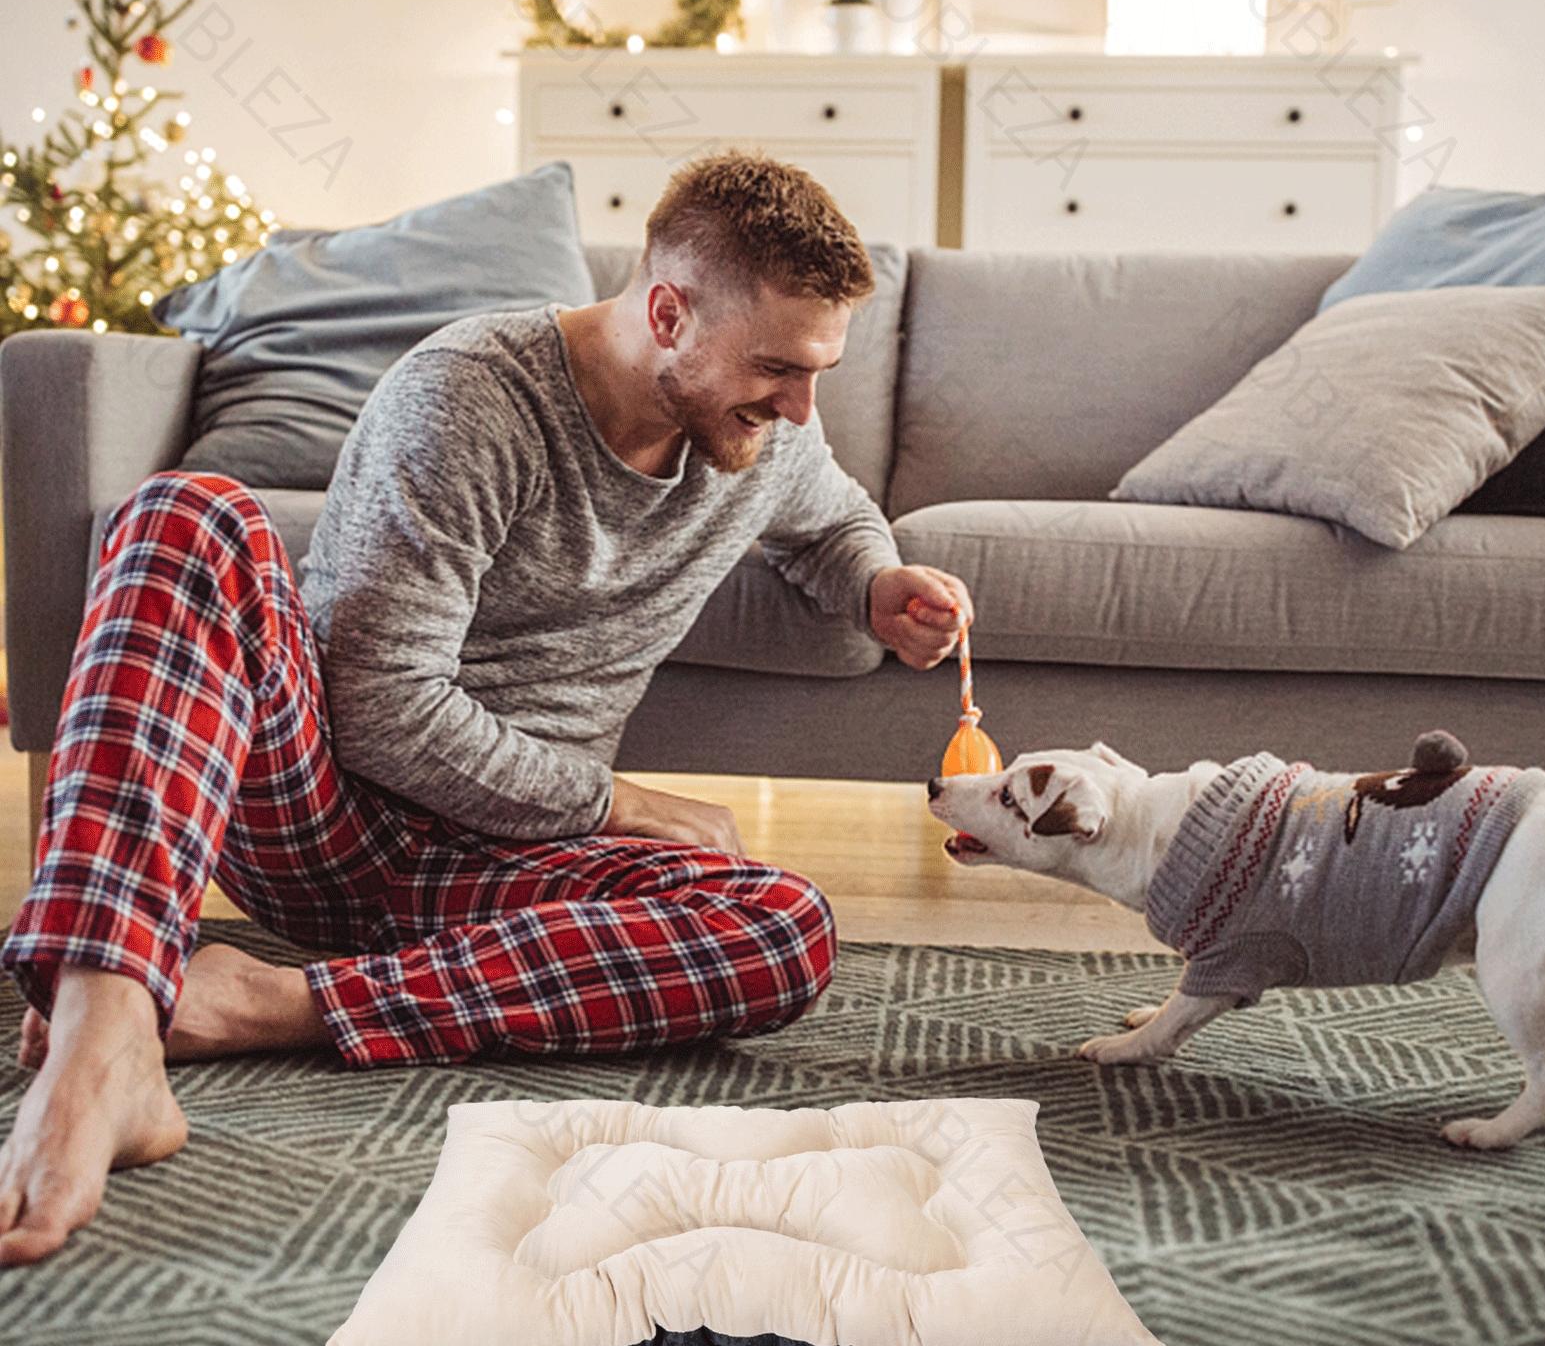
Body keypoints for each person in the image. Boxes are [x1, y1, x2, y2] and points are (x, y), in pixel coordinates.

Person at [0, 150, 974, 1265]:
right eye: (778, 370)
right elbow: (376, 705)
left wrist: (873, 578)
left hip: (507, 875)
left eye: (819, 373)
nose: (802, 409)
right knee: (187, 514)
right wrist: (614, 799)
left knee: (782, 926)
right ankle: (104, 1021)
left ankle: (272, 999)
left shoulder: (765, 434)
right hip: (332, 813)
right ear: (666, 313)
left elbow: (831, 509)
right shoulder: (469, 394)